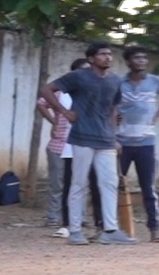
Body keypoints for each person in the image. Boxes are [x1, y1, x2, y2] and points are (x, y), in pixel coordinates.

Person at [39, 43, 135, 246]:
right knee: (78, 184)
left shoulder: (115, 80)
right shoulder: (78, 77)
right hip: (82, 137)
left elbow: (113, 109)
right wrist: (64, 113)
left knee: (109, 183)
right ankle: (75, 231)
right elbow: (46, 90)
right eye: (103, 54)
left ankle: (110, 229)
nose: (108, 57)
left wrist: (114, 136)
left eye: (110, 54)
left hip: (105, 139)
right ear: (91, 59)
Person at [116, 45, 159, 242]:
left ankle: (154, 230)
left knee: (148, 187)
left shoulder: (155, 81)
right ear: (128, 62)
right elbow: (109, 105)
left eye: (144, 57)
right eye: (136, 58)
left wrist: (157, 115)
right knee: (114, 186)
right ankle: (111, 227)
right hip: (121, 142)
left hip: (146, 142)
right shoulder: (119, 83)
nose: (141, 61)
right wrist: (113, 123)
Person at [35, 58, 83, 234]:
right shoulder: (60, 93)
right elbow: (41, 103)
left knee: (79, 184)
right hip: (59, 144)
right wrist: (54, 122)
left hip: (81, 143)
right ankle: (53, 217)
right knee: (57, 183)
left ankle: (77, 217)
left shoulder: (89, 94)